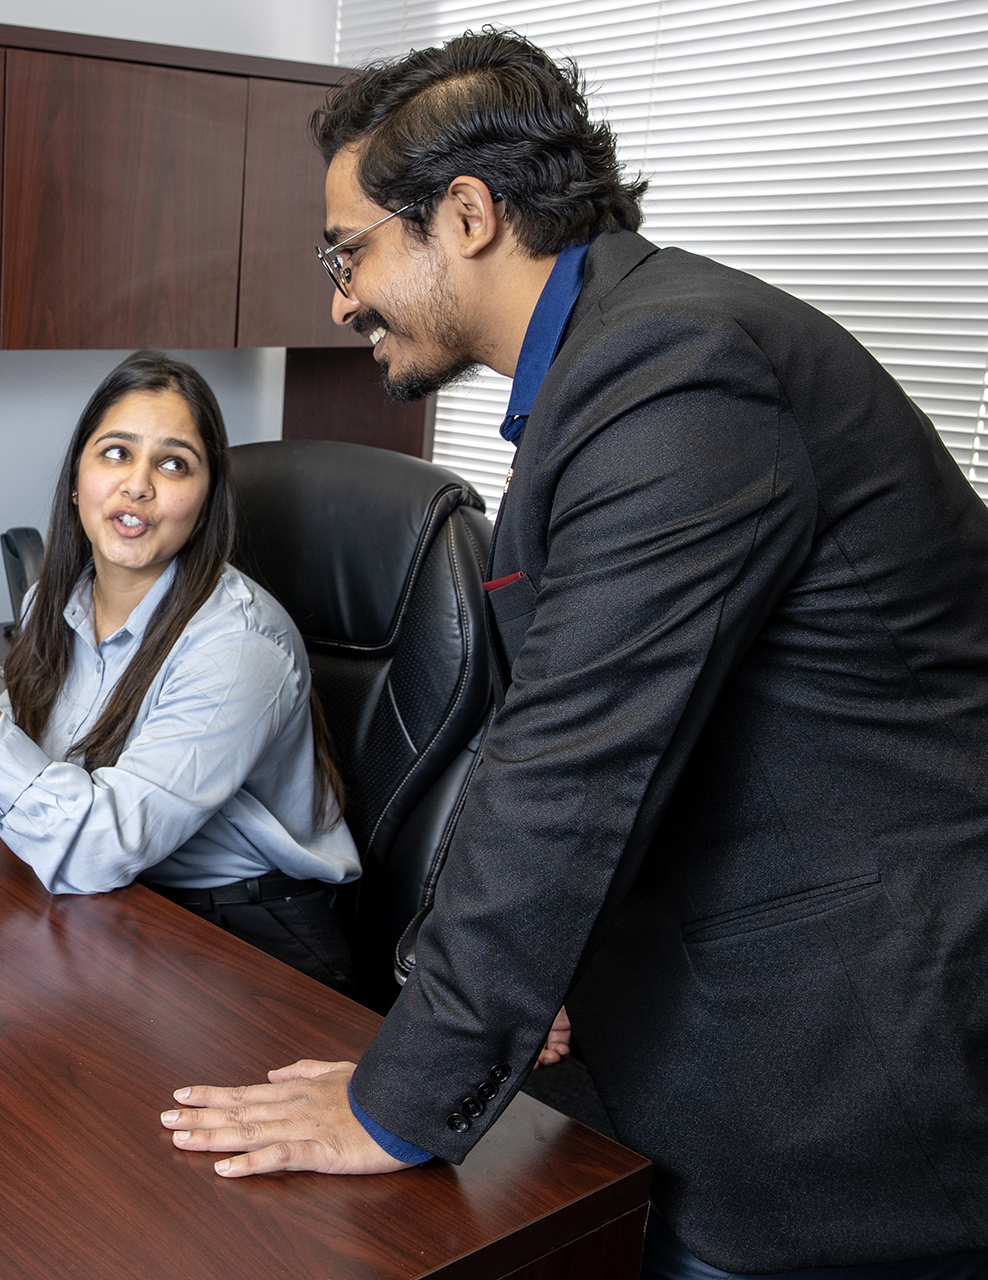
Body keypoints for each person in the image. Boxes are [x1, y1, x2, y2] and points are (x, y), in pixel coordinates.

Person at [157, 30, 988, 1280]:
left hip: (837, 1061)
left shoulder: (675, 367)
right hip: (702, 1009)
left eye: (350, 250)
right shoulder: (608, 367)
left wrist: (397, 1095)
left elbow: (573, 765)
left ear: (471, 214)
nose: (338, 298)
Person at [0, 350, 362, 992]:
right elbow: (37, 734)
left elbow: (99, 845)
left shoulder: (238, 646)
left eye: (173, 463)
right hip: (128, 902)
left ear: (206, 499)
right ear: (78, 479)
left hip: (250, 937)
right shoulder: (56, 599)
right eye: (116, 453)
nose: (138, 484)